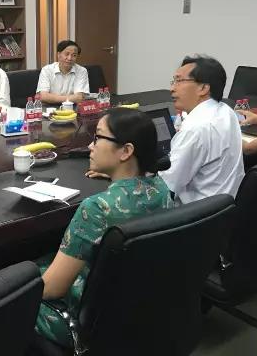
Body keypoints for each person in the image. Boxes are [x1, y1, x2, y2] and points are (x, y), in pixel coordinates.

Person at [35, 108, 170, 348]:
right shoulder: (161, 188)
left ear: (126, 151)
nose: (90, 146)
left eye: (98, 138)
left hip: (88, 321)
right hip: (139, 307)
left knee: (7, 297)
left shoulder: (97, 208)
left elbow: (52, 289)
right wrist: (114, 174)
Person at [159, 56, 244, 204]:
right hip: (225, 206)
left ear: (203, 88)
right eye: (173, 81)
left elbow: (165, 185)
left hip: (196, 212)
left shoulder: (196, 128)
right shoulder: (226, 111)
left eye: (179, 81)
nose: (172, 88)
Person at [36, 40, 90, 104]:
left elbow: (79, 98)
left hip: (72, 108)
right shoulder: (47, 70)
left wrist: (51, 98)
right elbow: (43, 97)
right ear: (59, 54)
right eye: (67, 54)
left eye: (74, 55)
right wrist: (72, 98)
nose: (69, 58)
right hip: (50, 108)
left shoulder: (81, 71)